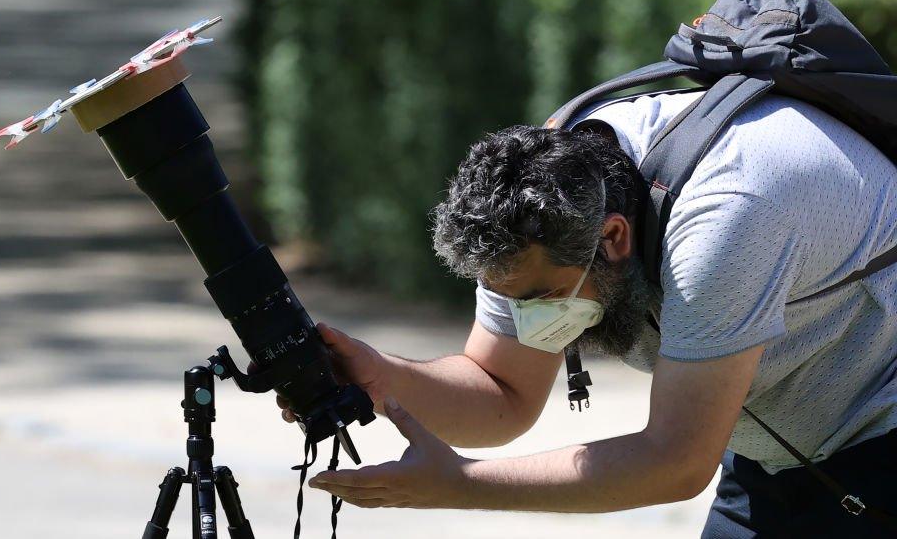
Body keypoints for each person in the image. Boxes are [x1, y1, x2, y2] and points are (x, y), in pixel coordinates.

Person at [280, 89, 897, 536]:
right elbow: (500, 394)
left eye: (540, 301)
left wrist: (460, 484)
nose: (527, 325)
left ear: (614, 238)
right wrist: (380, 378)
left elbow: (675, 463)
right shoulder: (539, 205)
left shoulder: (727, 217)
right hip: (773, 448)